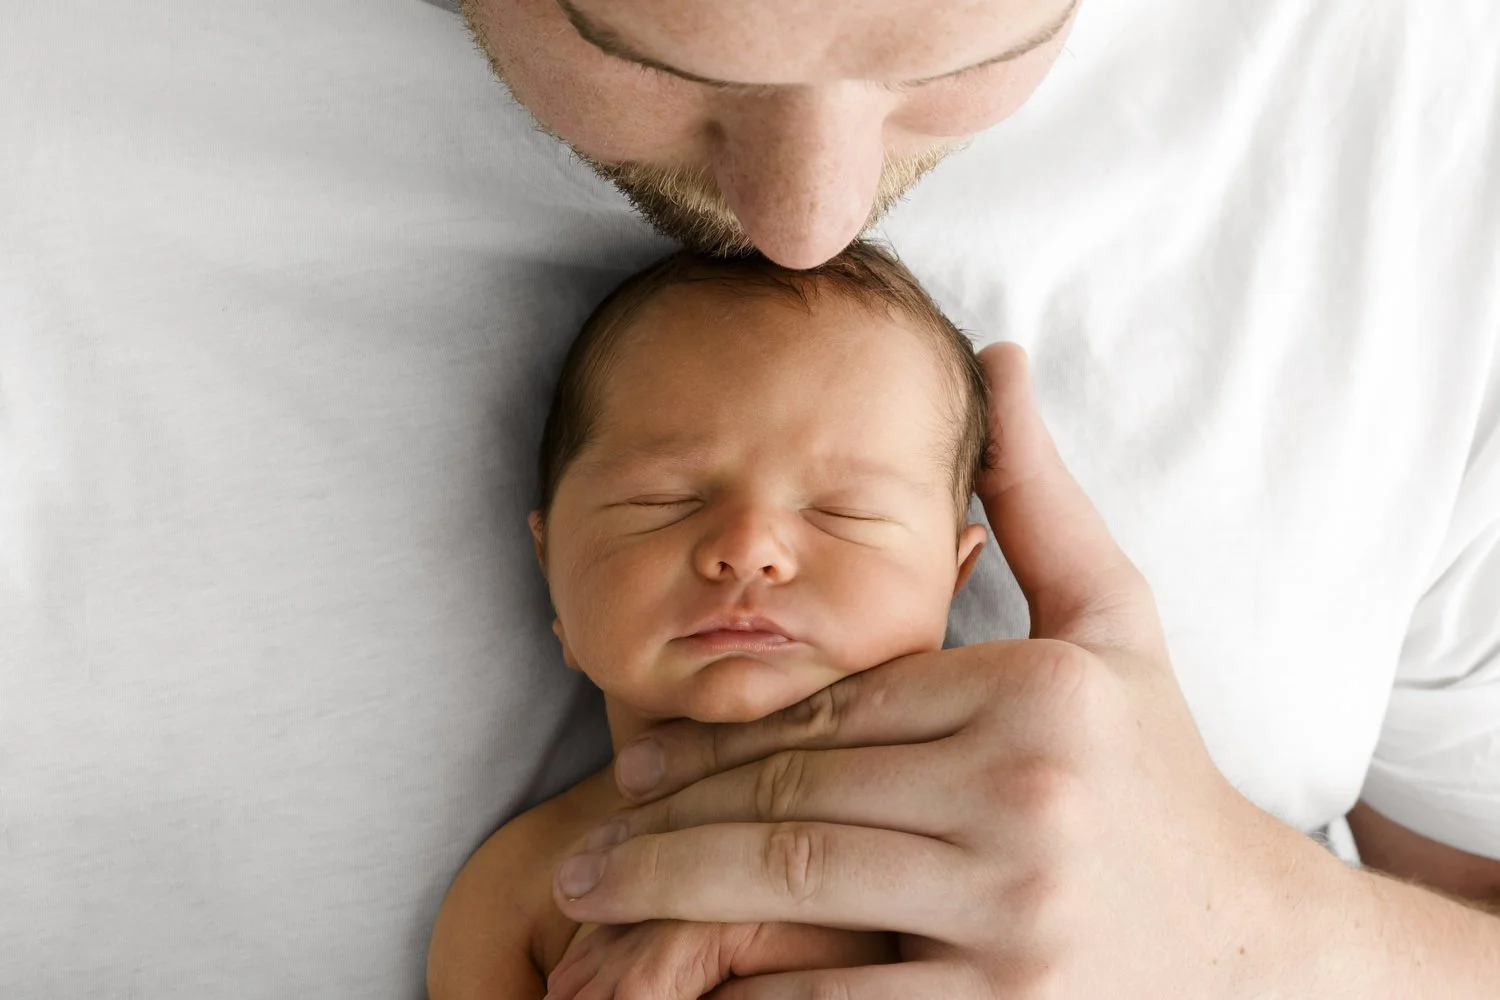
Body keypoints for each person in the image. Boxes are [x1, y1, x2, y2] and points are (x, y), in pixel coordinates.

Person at [3, 0, 1497, 996]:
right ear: (546, 560)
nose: (808, 218)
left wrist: (1279, 943)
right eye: (655, 51)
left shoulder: (1420, 96)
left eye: (951, 54)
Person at [427, 243, 992, 997]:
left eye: (843, 511)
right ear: (550, 567)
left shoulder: (990, 843)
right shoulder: (524, 889)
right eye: (662, 501)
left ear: (953, 583)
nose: (748, 550)